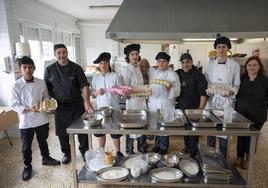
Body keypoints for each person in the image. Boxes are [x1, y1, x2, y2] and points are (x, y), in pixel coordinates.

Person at [10, 56, 61, 181]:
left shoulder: (41, 82)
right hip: (26, 120)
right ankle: (27, 166)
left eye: (30, 67)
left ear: (34, 68)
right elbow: (14, 104)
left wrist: (46, 104)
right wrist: (28, 108)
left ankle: (46, 158)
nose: (28, 70)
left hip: (41, 118)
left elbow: (46, 97)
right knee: (26, 146)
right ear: (20, 70)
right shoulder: (16, 85)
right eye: (25, 67)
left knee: (43, 140)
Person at [44, 44, 94, 164]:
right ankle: (67, 153)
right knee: (62, 132)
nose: (62, 55)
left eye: (64, 52)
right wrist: (49, 105)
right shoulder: (49, 69)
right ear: (55, 55)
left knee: (83, 130)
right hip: (60, 106)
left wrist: (87, 102)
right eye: (59, 53)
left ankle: (85, 152)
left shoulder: (76, 68)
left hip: (77, 104)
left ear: (67, 53)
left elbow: (85, 86)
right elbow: (46, 88)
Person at [205, 36, 240, 158]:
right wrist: (208, 90)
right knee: (211, 129)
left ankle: (223, 158)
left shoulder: (235, 65)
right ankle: (209, 156)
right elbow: (207, 82)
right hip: (212, 101)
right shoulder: (210, 65)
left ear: (228, 48)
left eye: (224, 46)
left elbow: (236, 85)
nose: (221, 49)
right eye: (219, 47)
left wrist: (232, 92)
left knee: (224, 131)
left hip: (226, 102)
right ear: (215, 49)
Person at [234, 56, 268, 169]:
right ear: (246, 67)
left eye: (255, 65)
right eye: (249, 65)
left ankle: (249, 158)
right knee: (241, 137)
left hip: (258, 115)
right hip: (241, 114)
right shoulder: (241, 79)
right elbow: (235, 93)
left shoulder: (265, 80)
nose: (252, 67)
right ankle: (239, 156)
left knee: (252, 138)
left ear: (259, 67)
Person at [91, 52, 124, 159]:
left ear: (108, 64)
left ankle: (118, 152)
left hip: (114, 108)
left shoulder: (115, 76)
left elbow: (122, 94)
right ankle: (101, 152)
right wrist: (96, 93)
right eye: (101, 63)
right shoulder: (96, 77)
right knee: (100, 132)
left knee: (115, 132)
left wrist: (117, 91)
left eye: (105, 63)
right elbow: (92, 94)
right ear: (99, 65)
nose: (103, 65)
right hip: (100, 110)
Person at [175, 53, 208, 158]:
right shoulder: (178, 73)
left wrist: (200, 109)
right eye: (183, 62)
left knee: (193, 131)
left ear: (192, 62)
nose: (185, 65)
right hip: (181, 107)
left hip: (194, 108)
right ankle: (187, 146)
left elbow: (204, 93)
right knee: (185, 129)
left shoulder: (198, 75)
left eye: (187, 62)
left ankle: (193, 152)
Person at [148, 52, 181, 155]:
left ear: (168, 63)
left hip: (165, 104)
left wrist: (170, 88)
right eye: (159, 61)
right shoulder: (152, 72)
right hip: (153, 103)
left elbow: (178, 90)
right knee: (156, 126)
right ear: (157, 63)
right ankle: (156, 144)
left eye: (164, 61)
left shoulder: (173, 74)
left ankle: (164, 146)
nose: (161, 63)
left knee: (164, 126)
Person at [121, 44, 147, 155]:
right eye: (132, 54)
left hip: (140, 101)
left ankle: (141, 147)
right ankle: (129, 149)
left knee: (142, 124)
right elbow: (125, 90)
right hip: (132, 102)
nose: (135, 56)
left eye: (136, 54)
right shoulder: (126, 70)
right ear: (128, 56)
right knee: (130, 125)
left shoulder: (137, 67)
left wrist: (143, 91)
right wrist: (137, 91)